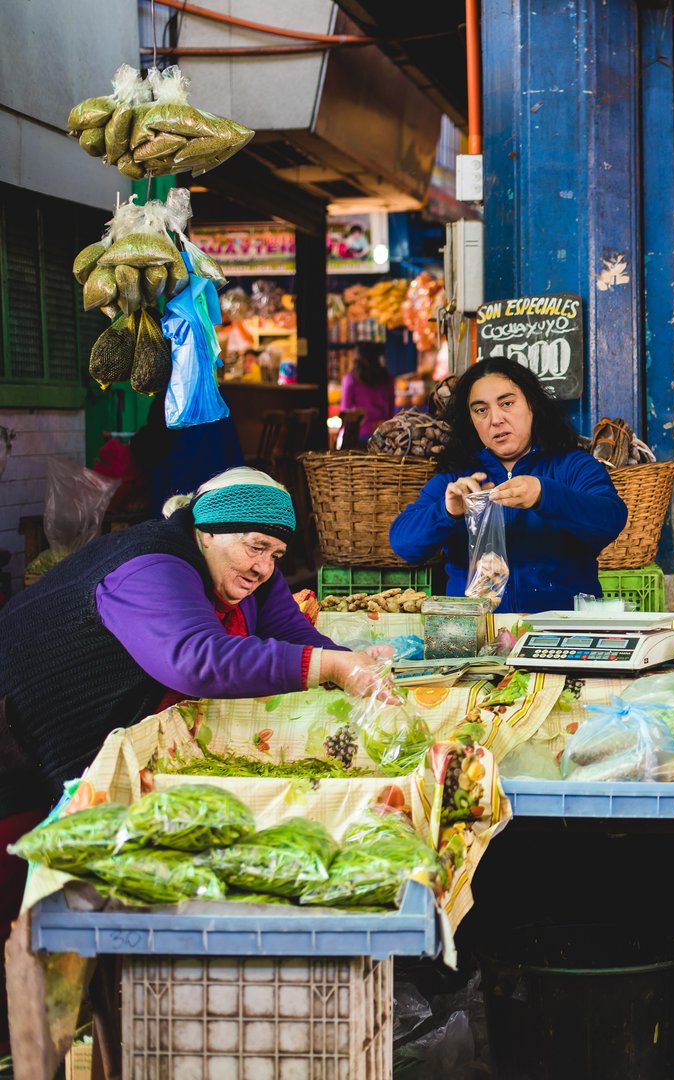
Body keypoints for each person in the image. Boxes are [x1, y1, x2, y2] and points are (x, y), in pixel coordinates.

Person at [0, 468, 395, 992]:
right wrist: (329, 668)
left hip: (103, 741)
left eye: (276, 553)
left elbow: (293, 633)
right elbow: (193, 659)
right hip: (24, 736)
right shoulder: (149, 566)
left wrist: (353, 665)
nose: (263, 566)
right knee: (30, 905)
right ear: (206, 530)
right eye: (255, 547)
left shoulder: (249, 569)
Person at [390, 356, 628, 612]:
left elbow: (611, 519)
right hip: (478, 634)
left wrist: (544, 494)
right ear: (470, 420)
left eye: (507, 403)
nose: (496, 419)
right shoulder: (456, 478)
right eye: (481, 410)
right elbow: (404, 544)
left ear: (532, 405)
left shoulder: (572, 466)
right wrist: (447, 512)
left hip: (561, 632)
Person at [340, 341, 396, 443]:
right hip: (383, 434)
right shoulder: (387, 378)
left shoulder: (351, 379)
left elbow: (345, 411)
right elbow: (391, 410)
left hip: (359, 434)